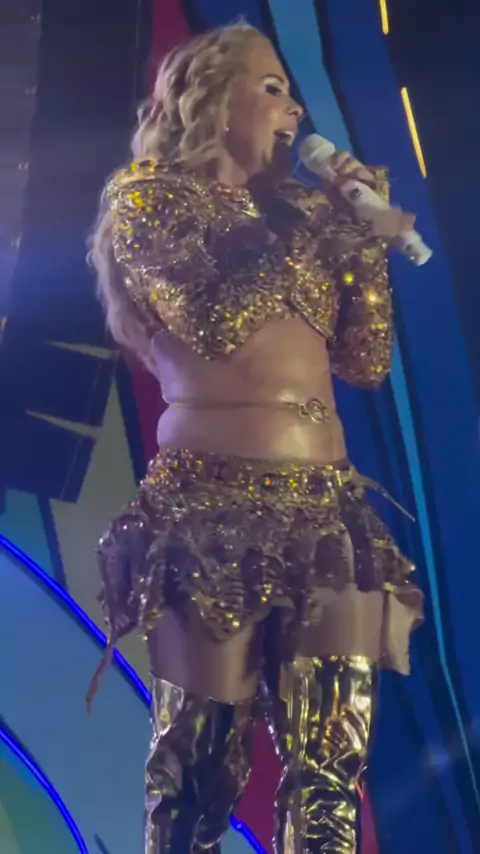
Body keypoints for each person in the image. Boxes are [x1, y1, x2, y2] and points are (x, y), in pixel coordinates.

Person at [88, 21, 424, 854]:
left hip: (328, 521)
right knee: (197, 773)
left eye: (292, 92)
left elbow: (365, 361)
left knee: (330, 770)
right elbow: (213, 321)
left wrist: (364, 246)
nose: (293, 108)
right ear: (210, 99)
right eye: (272, 88)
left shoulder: (303, 211)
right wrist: (319, 233)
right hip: (208, 514)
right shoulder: (151, 200)